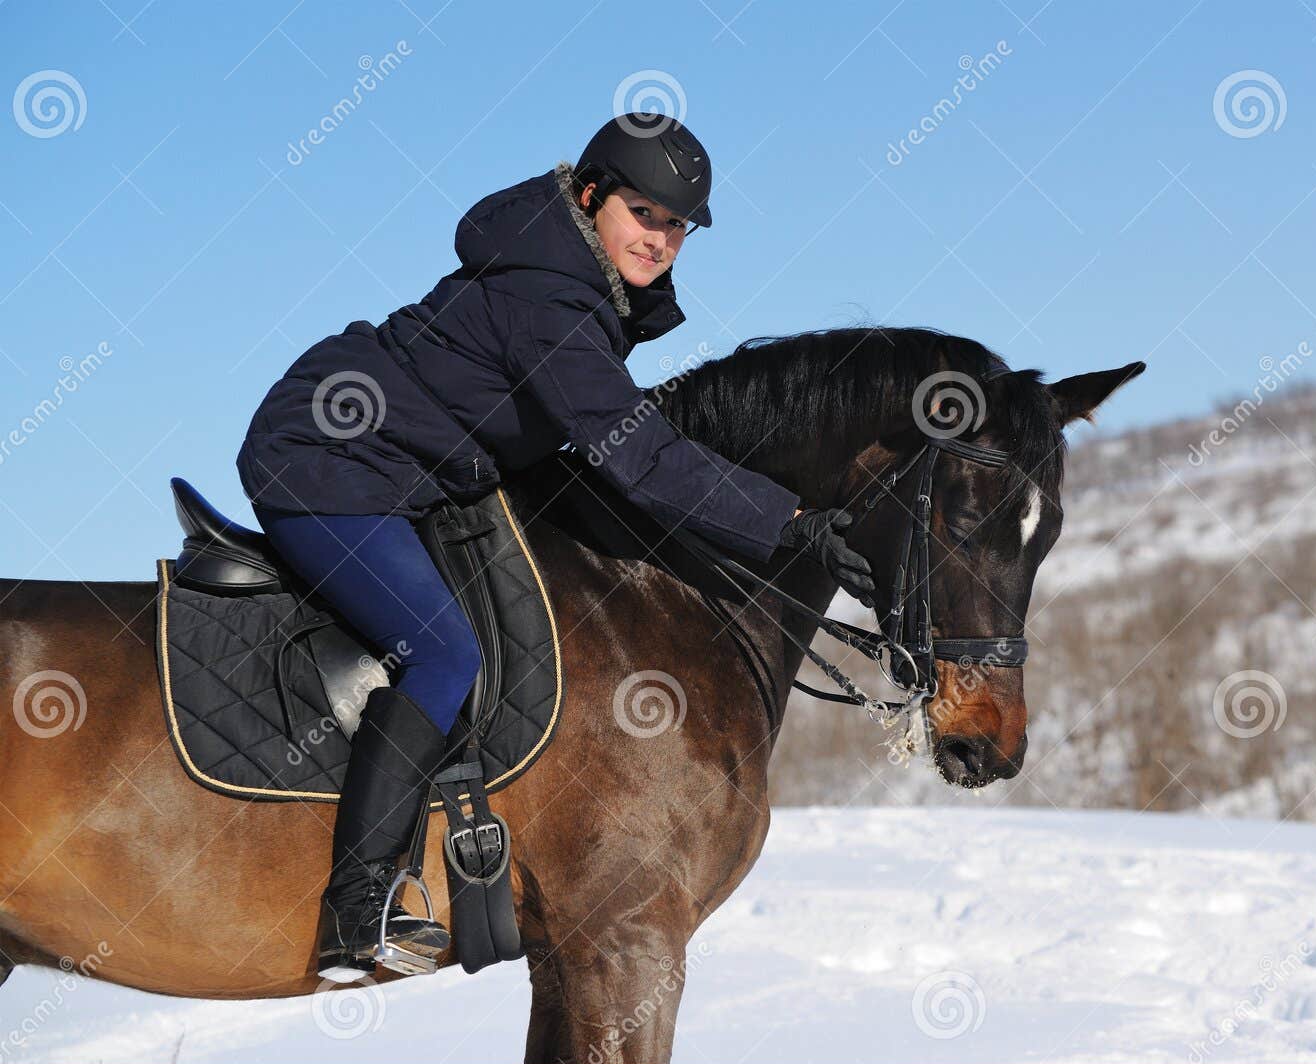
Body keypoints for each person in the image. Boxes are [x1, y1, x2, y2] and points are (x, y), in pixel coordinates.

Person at [235, 113, 877, 982]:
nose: (659, 238)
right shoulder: (553, 298)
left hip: (401, 470)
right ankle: (360, 909)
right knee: (442, 652)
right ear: (589, 196)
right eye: (643, 213)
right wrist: (787, 524)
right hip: (327, 463)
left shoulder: (576, 284)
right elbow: (637, 452)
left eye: (676, 225)